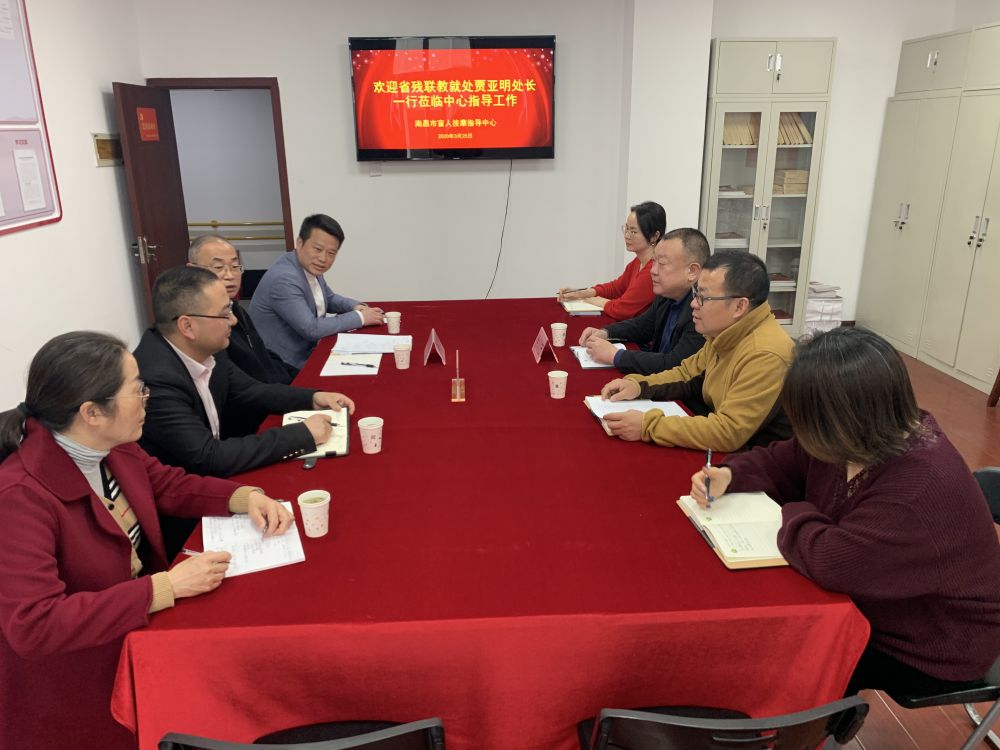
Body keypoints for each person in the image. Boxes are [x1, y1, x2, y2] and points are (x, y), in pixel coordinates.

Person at [0, 331, 293, 750]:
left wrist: (243, 498)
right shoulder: (20, 497)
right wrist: (164, 587)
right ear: (91, 413)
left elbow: (167, 484)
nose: (146, 398)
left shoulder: (111, 445)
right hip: (80, 680)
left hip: (137, 631)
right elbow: (35, 624)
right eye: (136, 389)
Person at [689, 327, 1000, 695]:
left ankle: (819, 720)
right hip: (884, 600)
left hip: (935, 641)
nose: (802, 430)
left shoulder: (917, 486)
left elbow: (831, 561)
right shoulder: (860, 435)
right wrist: (730, 474)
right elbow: (786, 458)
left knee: (787, 654)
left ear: (842, 417)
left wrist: (794, 509)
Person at [134, 266, 355, 555]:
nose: (234, 320)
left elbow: (251, 391)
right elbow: (209, 457)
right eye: (224, 313)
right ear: (187, 326)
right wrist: (302, 435)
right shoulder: (156, 378)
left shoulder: (207, 348)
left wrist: (313, 397)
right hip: (185, 515)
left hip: (219, 485)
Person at [599, 250, 793, 451]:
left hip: (756, 460)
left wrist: (648, 426)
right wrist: (638, 386)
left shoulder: (766, 354)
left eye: (703, 297)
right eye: (695, 293)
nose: (693, 303)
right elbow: (686, 374)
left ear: (739, 306)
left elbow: (728, 432)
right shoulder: (727, 331)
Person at [188, 233, 297, 436]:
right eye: (218, 267)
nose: (229, 275)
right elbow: (240, 390)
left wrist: (300, 379)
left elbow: (263, 354)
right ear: (193, 270)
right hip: (249, 419)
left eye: (235, 266)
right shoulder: (204, 325)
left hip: (271, 395)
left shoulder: (236, 308)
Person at [250, 214, 385, 369]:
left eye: (331, 253)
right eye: (318, 249)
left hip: (309, 352)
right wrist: (360, 318)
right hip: (284, 366)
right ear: (299, 243)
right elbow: (311, 328)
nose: (323, 258)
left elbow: (329, 298)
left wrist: (356, 306)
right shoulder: (284, 278)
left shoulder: (307, 266)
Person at [578, 227, 709, 375]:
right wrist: (605, 332)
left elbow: (675, 364)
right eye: (654, 261)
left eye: (662, 263)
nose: (653, 270)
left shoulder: (702, 310)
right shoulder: (667, 294)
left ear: (692, 271)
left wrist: (616, 356)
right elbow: (642, 326)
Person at [558, 201, 664, 321]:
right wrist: (580, 293)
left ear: (654, 236)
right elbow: (616, 288)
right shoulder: (638, 262)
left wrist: (603, 302)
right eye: (626, 229)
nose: (627, 235)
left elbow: (623, 309)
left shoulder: (653, 270)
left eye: (633, 232)